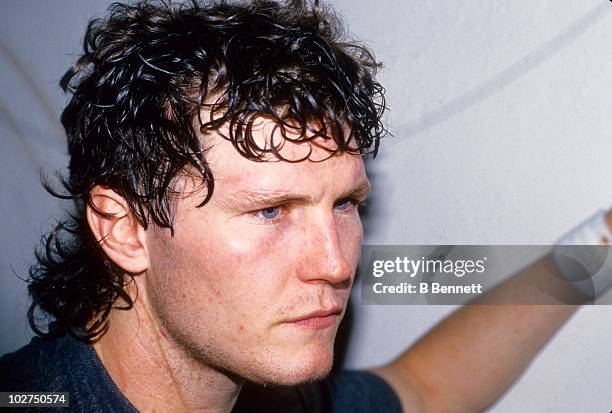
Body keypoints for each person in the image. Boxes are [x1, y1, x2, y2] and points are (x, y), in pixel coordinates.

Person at [1, 1, 611, 412]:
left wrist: (597, 244)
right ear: (124, 227)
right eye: (271, 211)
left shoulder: (270, 386)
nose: (336, 265)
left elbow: (424, 388)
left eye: (345, 204)